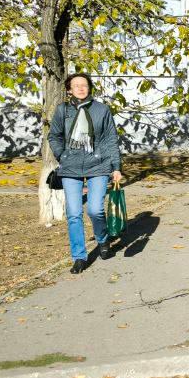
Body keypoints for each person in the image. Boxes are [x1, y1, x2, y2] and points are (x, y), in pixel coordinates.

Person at [48, 72, 123, 273]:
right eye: (76, 85)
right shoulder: (62, 110)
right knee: (73, 213)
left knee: (95, 210)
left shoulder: (101, 110)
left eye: (84, 85)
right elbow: (54, 136)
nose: (81, 88)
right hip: (70, 167)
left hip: (97, 165)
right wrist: (61, 154)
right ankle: (79, 257)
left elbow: (110, 140)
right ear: (69, 90)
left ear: (89, 88)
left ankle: (103, 239)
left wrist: (116, 167)